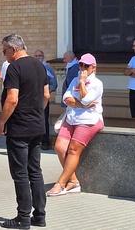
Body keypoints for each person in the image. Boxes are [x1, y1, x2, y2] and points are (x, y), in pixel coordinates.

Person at [0, 34, 49, 229]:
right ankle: (40, 216)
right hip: (37, 126)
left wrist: (1, 122)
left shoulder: (14, 68)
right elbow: (46, 95)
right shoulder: (39, 65)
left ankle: (23, 218)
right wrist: (36, 113)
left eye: (4, 51)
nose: (4, 55)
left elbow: (12, 99)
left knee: (20, 174)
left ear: (14, 49)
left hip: (19, 128)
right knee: (35, 170)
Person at [47, 53, 103, 196]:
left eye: (86, 66)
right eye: (81, 65)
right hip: (71, 118)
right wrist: (82, 104)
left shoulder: (97, 83)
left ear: (93, 67)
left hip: (89, 121)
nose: (83, 68)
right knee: (59, 147)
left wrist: (83, 83)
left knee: (73, 150)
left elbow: (86, 99)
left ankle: (60, 184)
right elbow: (66, 98)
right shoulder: (74, 80)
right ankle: (73, 181)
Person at [34, 50, 57, 150]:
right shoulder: (32, 68)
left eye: (40, 55)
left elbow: (54, 84)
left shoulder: (47, 68)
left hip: (43, 99)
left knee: (43, 119)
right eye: (36, 56)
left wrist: (47, 92)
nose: (38, 57)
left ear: (43, 56)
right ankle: (35, 141)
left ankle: (45, 141)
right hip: (32, 99)